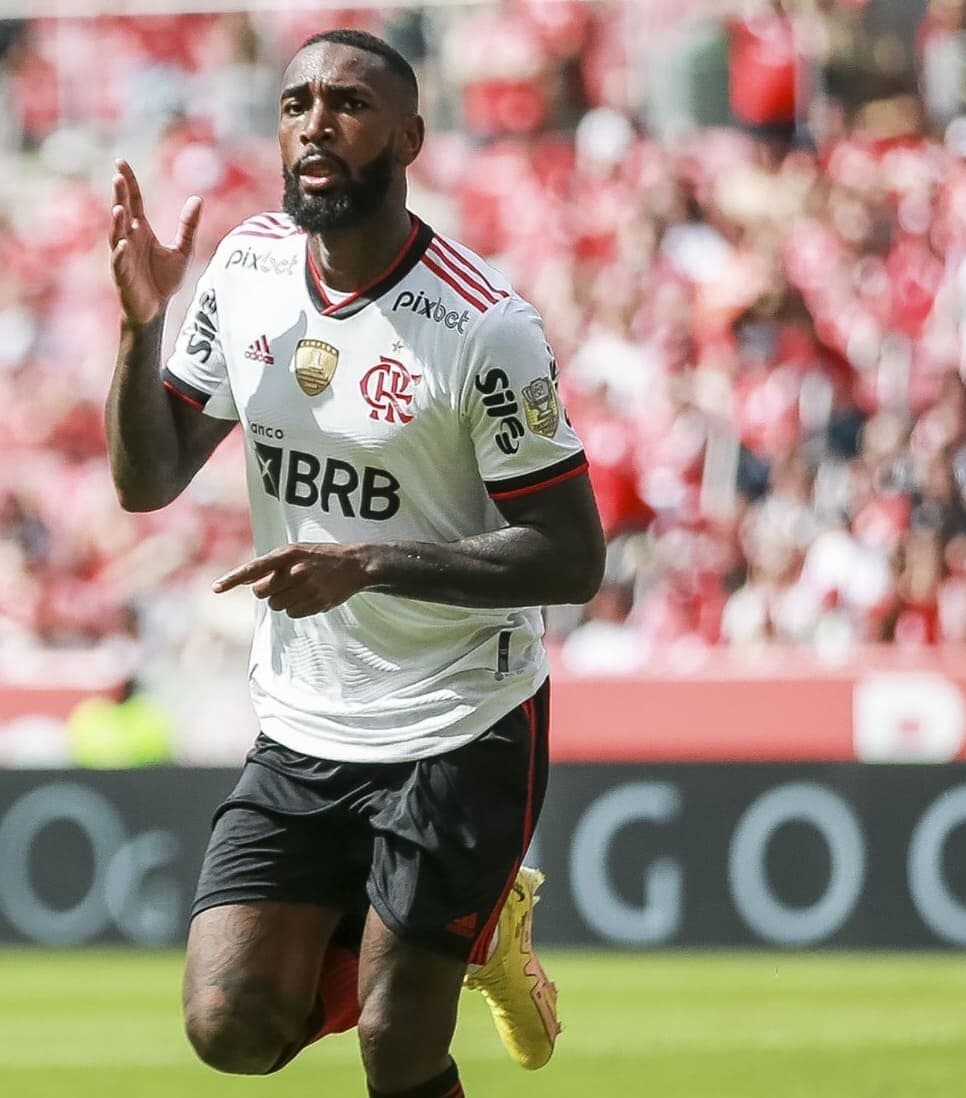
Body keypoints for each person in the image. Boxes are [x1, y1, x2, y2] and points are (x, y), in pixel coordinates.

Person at [104, 29, 602, 1096]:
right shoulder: (244, 270)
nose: (315, 123)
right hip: (303, 724)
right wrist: (139, 330)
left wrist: (372, 563)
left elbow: (570, 555)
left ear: (410, 135)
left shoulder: (485, 327)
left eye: (348, 103)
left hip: (459, 722)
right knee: (229, 1025)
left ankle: (453, 936)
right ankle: (474, 928)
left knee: (396, 1043)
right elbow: (148, 481)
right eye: (295, 104)